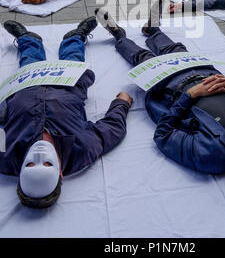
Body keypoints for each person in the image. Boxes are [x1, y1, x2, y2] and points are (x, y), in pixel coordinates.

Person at [95, 1, 225, 197]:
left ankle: (119, 36)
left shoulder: (212, 155)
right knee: (175, 49)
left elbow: (163, 135)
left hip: (171, 87)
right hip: (206, 72)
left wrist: (191, 95)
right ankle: (153, 30)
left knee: (143, 58)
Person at [0, 16, 132, 209]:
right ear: (60, 173)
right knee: (73, 58)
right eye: (47, 164)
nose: (39, 155)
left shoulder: (5, 156)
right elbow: (112, 130)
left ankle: (28, 39)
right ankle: (76, 37)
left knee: (29, 59)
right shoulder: (82, 149)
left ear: (20, 171)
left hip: (27, 87)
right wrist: (122, 104)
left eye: (29, 165)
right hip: (67, 88)